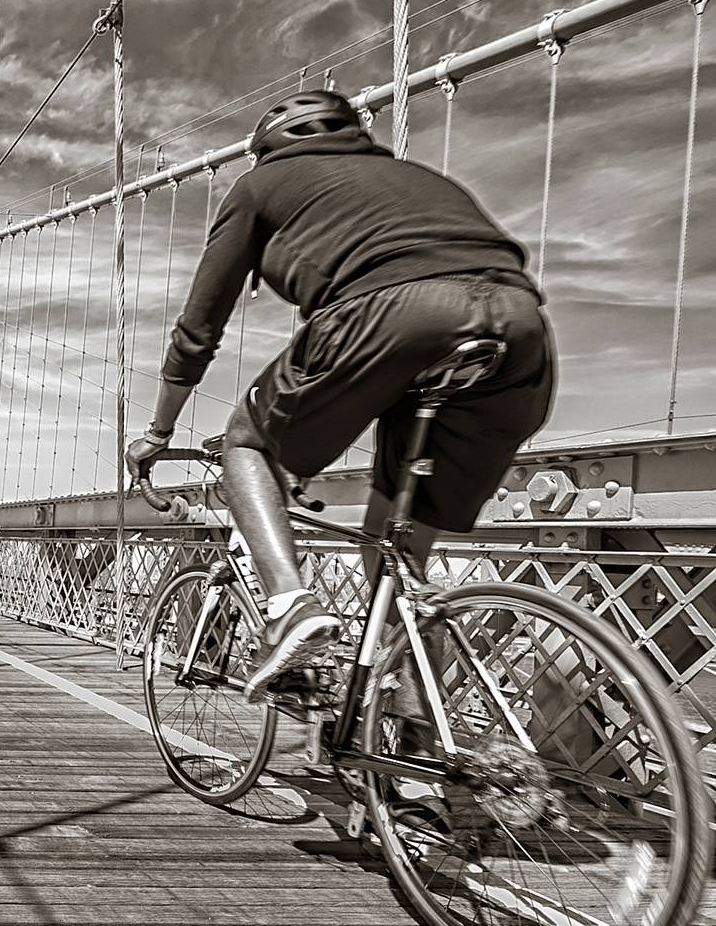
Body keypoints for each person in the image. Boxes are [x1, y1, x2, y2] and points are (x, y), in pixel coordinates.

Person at [128, 89, 554, 700]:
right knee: (397, 558)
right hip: (521, 328)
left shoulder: (260, 186)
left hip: (392, 313)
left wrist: (159, 433)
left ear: (265, 148)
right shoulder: (415, 176)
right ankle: (408, 750)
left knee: (246, 443)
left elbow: (199, 329)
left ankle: (289, 611)